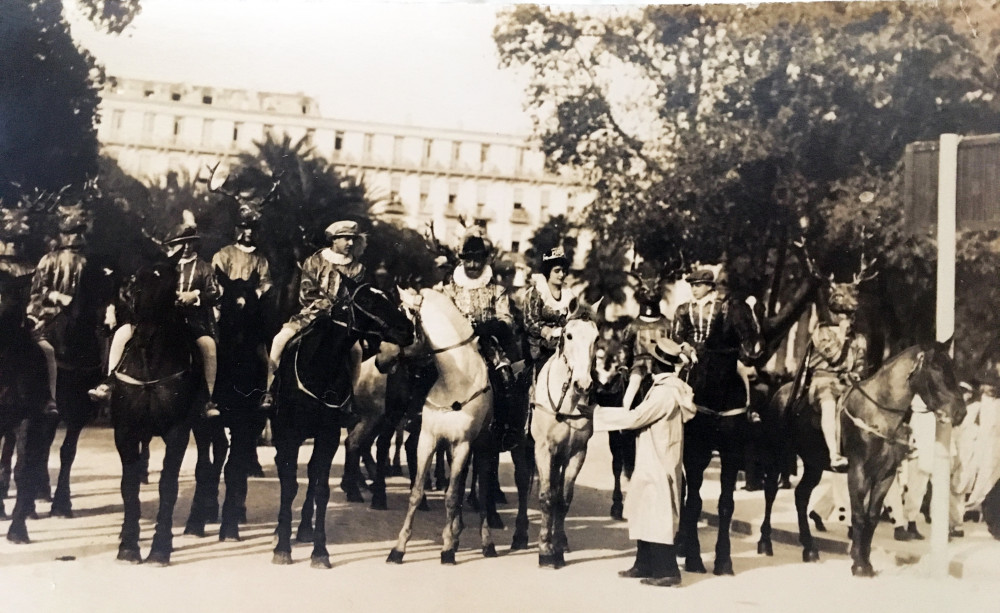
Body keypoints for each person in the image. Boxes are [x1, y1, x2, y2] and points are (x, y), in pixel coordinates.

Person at [89, 215, 221, 419]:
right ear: (171, 245)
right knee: (122, 334)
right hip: (154, 319)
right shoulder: (159, 266)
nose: (184, 247)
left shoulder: (204, 268)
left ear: (195, 243)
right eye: (179, 244)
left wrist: (194, 296)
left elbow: (214, 293)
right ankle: (110, 383)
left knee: (207, 345)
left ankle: (207, 398)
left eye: (188, 243)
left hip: (189, 320)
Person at [593, 337, 696, 587]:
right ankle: (644, 563)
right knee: (643, 508)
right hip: (654, 456)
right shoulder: (665, 387)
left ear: (660, 365)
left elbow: (636, 418)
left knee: (658, 513)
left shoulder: (665, 393)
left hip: (659, 460)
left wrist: (596, 414)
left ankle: (667, 571)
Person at [259, 220, 367, 410]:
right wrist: (326, 306)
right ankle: (270, 390)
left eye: (353, 239)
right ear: (334, 240)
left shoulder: (358, 268)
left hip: (342, 322)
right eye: (346, 239)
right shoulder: (314, 261)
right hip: (312, 315)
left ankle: (352, 397)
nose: (350, 243)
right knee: (280, 339)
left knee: (356, 350)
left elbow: (357, 296)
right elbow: (306, 292)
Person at [27, 205, 91, 416]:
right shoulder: (48, 260)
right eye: (71, 233)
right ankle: (48, 397)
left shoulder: (87, 262)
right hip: (49, 315)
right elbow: (37, 290)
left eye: (77, 233)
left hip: (80, 317)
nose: (74, 238)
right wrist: (55, 296)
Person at [806, 286, 868, 472]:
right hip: (824, 380)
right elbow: (833, 356)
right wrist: (841, 335)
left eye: (849, 314)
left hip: (849, 382)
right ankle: (834, 454)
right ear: (833, 313)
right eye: (842, 313)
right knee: (829, 405)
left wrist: (856, 373)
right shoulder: (821, 332)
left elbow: (861, 363)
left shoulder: (859, 338)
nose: (847, 318)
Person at [523, 247, 577, 374]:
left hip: (563, 343)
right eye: (557, 271)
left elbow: (573, 318)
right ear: (548, 271)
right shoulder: (536, 292)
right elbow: (530, 322)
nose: (561, 275)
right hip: (539, 345)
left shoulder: (569, 294)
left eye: (563, 271)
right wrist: (548, 332)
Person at [621, 293, 672, 411]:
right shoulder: (633, 325)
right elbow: (626, 346)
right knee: (634, 383)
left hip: (662, 363)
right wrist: (624, 365)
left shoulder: (667, 324)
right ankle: (624, 412)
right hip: (640, 363)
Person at [211, 206, 273, 299]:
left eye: (252, 228)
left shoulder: (260, 258)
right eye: (246, 228)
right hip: (229, 302)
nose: (250, 231)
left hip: (251, 305)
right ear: (239, 229)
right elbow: (215, 281)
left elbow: (266, 282)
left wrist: (256, 294)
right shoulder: (224, 254)